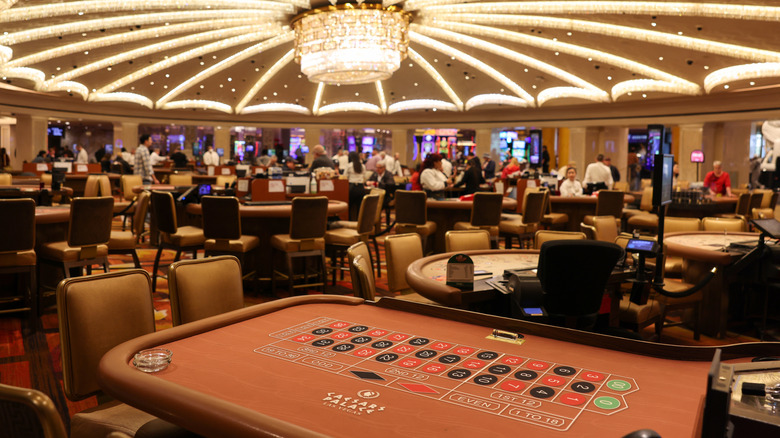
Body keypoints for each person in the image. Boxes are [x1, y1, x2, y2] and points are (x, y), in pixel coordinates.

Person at [345, 151, 367, 221]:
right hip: (361, 188)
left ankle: (349, 221)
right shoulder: (362, 166)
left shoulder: (349, 165)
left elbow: (345, 177)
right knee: (360, 208)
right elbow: (364, 177)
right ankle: (359, 222)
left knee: (349, 207)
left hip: (352, 188)